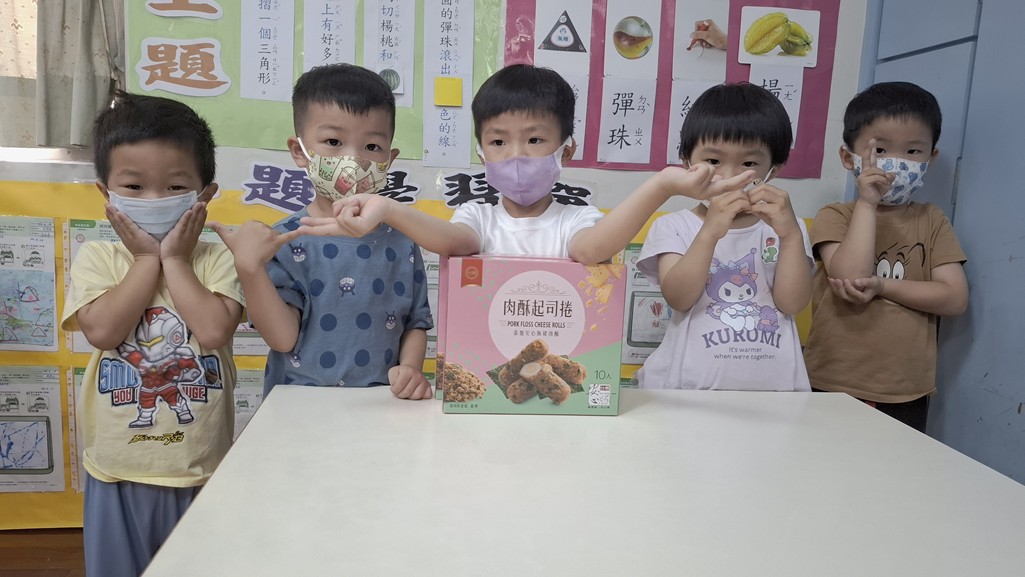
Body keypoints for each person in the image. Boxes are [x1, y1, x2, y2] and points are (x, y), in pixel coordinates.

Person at [297, 64, 755, 264]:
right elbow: (455, 244)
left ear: (565, 150)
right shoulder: (478, 217)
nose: (516, 155)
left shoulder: (576, 221)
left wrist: (662, 186)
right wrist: (387, 208)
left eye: (535, 140)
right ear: (482, 154)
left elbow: (590, 251)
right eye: (498, 141)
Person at [61, 92, 244, 577]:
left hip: (201, 468)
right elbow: (103, 331)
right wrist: (146, 259)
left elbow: (212, 329)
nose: (154, 200)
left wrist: (176, 260)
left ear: (204, 195)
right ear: (107, 194)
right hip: (118, 470)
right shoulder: (99, 258)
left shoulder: (217, 258)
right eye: (134, 186)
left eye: (175, 186)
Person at [211, 63, 433, 400]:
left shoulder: (403, 240)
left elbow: (415, 321)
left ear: (389, 158)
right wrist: (250, 268)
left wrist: (411, 369)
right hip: (300, 407)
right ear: (299, 151)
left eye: (372, 147)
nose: (353, 159)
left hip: (382, 406)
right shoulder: (284, 240)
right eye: (333, 141)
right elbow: (282, 339)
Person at [803, 81, 968, 431]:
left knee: (895, 466)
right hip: (832, 380)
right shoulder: (836, 215)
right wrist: (867, 203)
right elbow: (849, 278)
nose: (897, 163)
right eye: (880, 150)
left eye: (913, 151)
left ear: (930, 159)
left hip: (905, 390)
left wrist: (881, 286)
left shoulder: (932, 220)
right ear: (848, 158)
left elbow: (954, 298)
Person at [635, 83, 813, 391]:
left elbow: (792, 303)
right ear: (686, 161)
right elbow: (678, 299)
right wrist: (709, 232)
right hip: (686, 393)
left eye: (749, 164)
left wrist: (791, 236)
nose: (730, 177)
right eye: (714, 161)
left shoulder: (788, 228)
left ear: (774, 168)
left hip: (775, 393)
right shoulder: (674, 226)